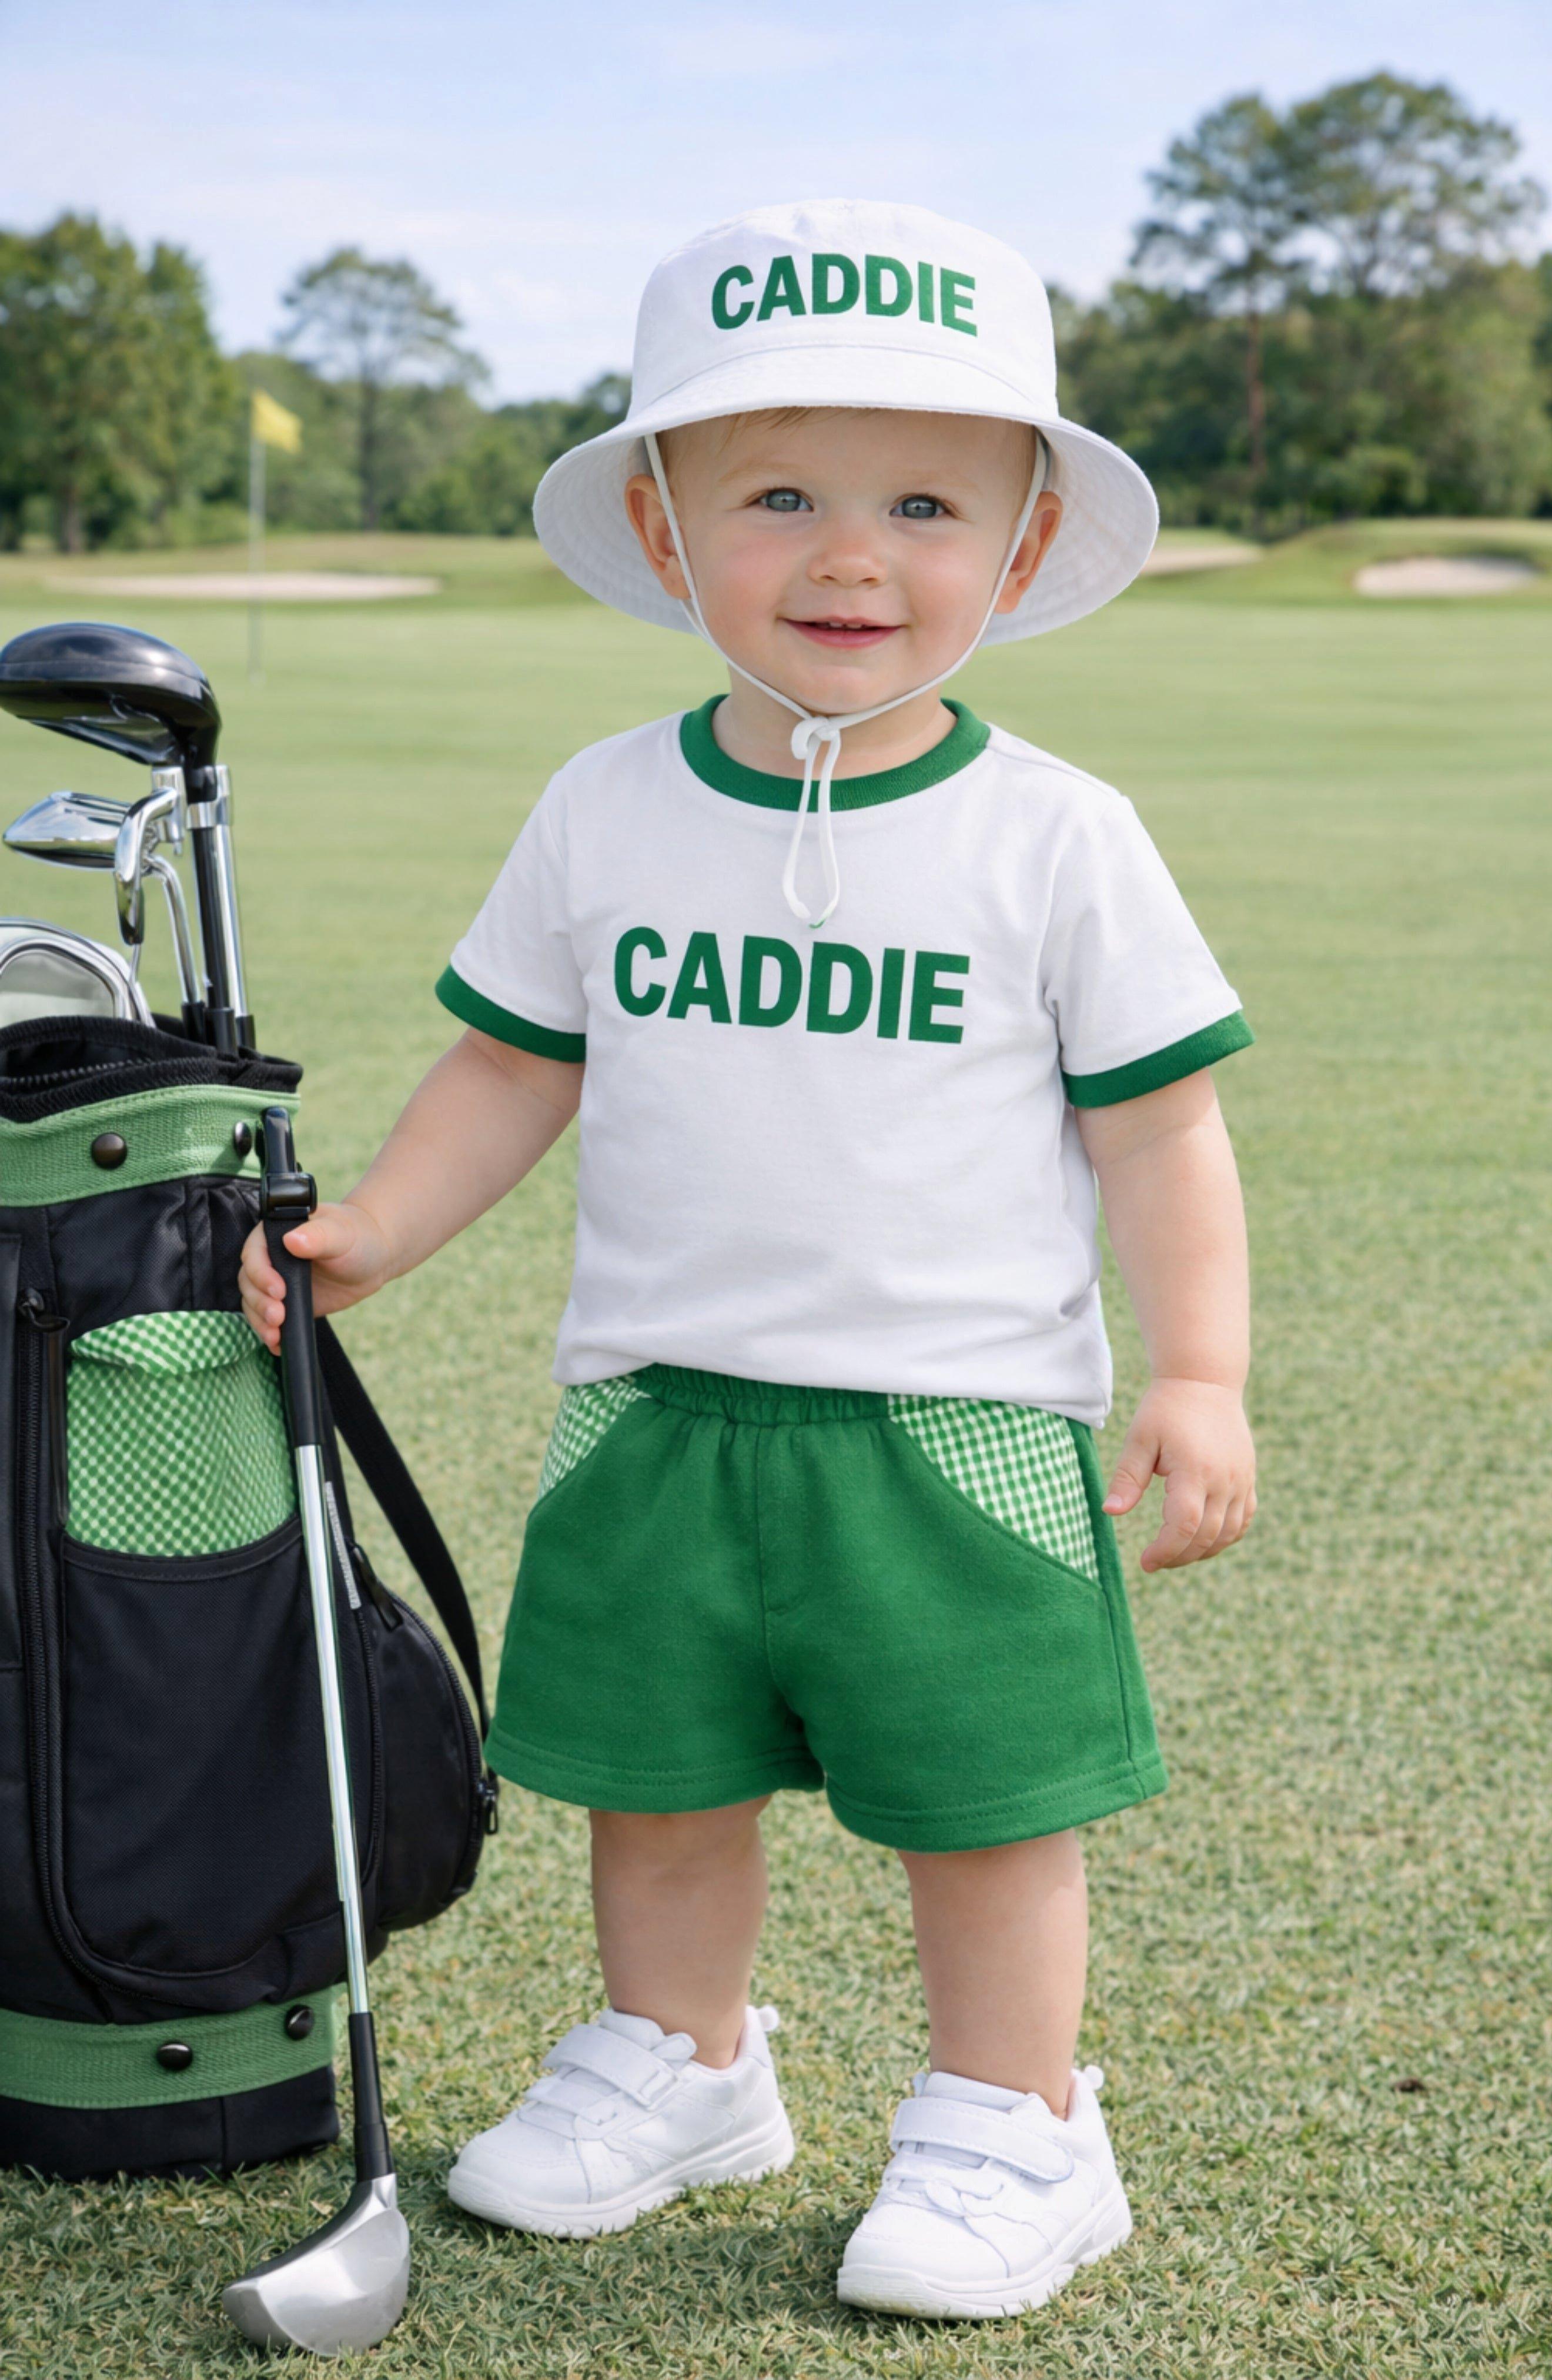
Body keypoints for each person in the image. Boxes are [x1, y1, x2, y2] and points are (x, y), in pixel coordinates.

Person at [240, 199, 1256, 2322]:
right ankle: (689, 2065)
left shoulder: (1055, 833)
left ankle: (1017, 2121)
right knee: (657, 1774)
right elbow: (511, 1073)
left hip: (954, 1426)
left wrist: (1202, 1373)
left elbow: (1161, 1124)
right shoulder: (607, 808)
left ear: (1030, 530)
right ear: (664, 522)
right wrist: (371, 1240)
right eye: (777, 494)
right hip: (658, 1405)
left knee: (984, 1807)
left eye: (922, 503)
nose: (851, 556)